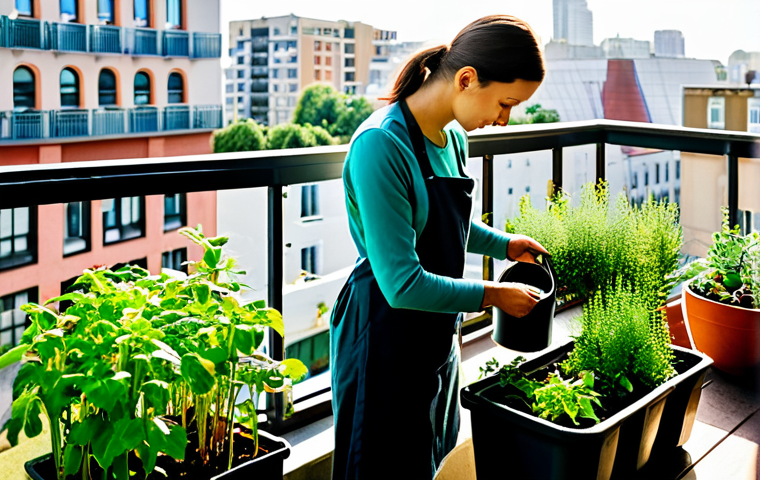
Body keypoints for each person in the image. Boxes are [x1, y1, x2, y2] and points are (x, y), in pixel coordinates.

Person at [330, 15, 549, 480]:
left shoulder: (452, 137)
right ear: (468, 80)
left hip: (434, 335)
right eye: (505, 103)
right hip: (382, 336)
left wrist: (505, 244)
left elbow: (446, 221)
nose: (504, 119)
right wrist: (493, 295)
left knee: (430, 462)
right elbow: (402, 283)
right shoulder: (380, 146)